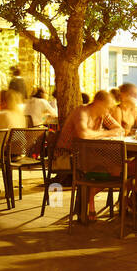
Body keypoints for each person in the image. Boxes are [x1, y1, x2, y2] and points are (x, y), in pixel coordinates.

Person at [54, 89, 122, 220]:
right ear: (98, 102)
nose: (109, 111)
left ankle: (89, 199)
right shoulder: (82, 112)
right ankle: (88, 204)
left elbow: (119, 129)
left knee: (119, 169)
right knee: (115, 167)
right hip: (67, 155)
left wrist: (101, 133)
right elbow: (83, 134)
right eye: (107, 107)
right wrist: (107, 133)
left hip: (88, 153)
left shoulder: (103, 113)